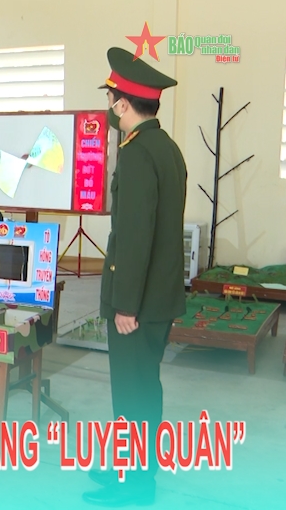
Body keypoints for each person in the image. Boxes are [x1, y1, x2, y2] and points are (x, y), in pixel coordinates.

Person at [84, 47, 187, 507]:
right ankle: (128, 466)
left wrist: (125, 303)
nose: (109, 106)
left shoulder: (137, 153)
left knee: (133, 391)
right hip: (158, 296)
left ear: (123, 103)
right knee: (143, 387)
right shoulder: (167, 149)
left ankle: (136, 485)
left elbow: (135, 234)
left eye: (110, 99)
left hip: (138, 302)